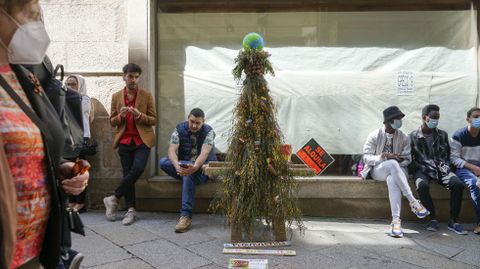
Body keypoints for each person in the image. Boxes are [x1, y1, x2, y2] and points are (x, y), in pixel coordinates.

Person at [0, 1, 89, 268]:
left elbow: (37, 145)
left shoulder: (26, 76)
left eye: (40, 17)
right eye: (30, 16)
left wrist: (63, 168)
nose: (37, 26)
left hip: (37, 249)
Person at [361, 106, 429, 237]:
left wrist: (398, 159)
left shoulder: (403, 137)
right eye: (396, 119)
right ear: (387, 121)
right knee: (391, 163)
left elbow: (408, 158)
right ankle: (413, 201)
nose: (399, 121)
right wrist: (384, 156)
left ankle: (396, 222)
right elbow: (366, 157)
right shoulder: (375, 135)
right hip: (378, 170)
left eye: (400, 118)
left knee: (392, 179)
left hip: (398, 170)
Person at [103, 63, 157, 225]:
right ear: (124, 77)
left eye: (136, 76)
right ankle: (130, 210)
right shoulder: (116, 96)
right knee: (128, 175)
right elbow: (112, 121)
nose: (133, 79)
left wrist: (140, 115)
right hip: (125, 141)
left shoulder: (146, 96)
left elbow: (154, 120)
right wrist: (120, 116)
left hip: (142, 141)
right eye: (130, 76)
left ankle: (114, 197)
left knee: (138, 169)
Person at [410, 104, 467, 235]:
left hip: (441, 169)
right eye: (433, 117)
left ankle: (454, 220)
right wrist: (418, 168)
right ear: (425, 117)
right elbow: (410, 158)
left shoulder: (442, 135)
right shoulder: (413, 136)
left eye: (438, 117)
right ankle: (432, 218)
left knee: (457, 184)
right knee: (422, 185)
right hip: (422, 169)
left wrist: (445, 167)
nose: (436, 120)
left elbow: (447, 155)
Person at [159, 108, 217, 233]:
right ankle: (186, 170)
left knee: (188, 173)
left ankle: (185, 216)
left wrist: (194, 167)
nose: (194, 125)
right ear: (188, 118)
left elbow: (204, 154)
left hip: (203, 170)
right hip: (184, 167)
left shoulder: (209, 132)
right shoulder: (179, 128)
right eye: (192, 122)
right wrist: (177, 167)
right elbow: (171, 150)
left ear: (203, 122)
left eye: (198, 123)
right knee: (163, 162)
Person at [450, 107, 480, 234]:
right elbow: (454, 159)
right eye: (476, 116)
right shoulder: (458, 135)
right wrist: (473, 167)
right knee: (474, 183)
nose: (478, 119)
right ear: (468, 119)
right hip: (464, 168)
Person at [65, 74, 92, 213]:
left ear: (80, 85)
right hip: (68, 138)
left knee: (80, 170)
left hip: (81, 138)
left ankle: (81, 203)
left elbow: (79, 114)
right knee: (69, 171)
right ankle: (72, 201)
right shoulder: (64, 98)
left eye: (73, 84)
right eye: (68, 84)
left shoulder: (84, 99)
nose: (70, 87)